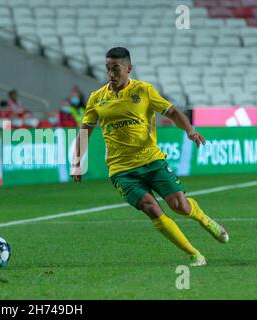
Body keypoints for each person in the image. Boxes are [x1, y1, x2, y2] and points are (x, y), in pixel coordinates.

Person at [71, 47, 229, 267]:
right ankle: (194, 254)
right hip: (121, 170)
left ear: (129, 69)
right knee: (151, 208)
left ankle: (204, 220)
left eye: (116, 69)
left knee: (180, 206)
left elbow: (172, 112)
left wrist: (190, 131)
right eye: (107, 69)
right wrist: (77, 161)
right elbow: (85, 129)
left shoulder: (144, 90)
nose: (111, 74)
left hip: (152, 161)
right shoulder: (96, 98)